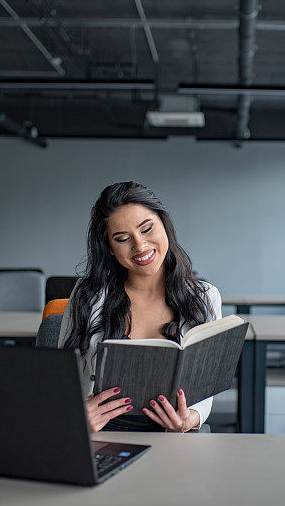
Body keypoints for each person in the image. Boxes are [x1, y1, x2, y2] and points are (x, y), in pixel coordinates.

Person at [58, 181, 221, 432]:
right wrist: (75, 414)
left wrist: (191, 419)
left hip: (173, 440)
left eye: (147, 229)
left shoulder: (204, 297)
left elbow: (205, 386)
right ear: (110, 249)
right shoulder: (87, 295)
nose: (140, 246)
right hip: (99, 437)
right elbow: (60, 380)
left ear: (164, 224)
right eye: (123, 239)